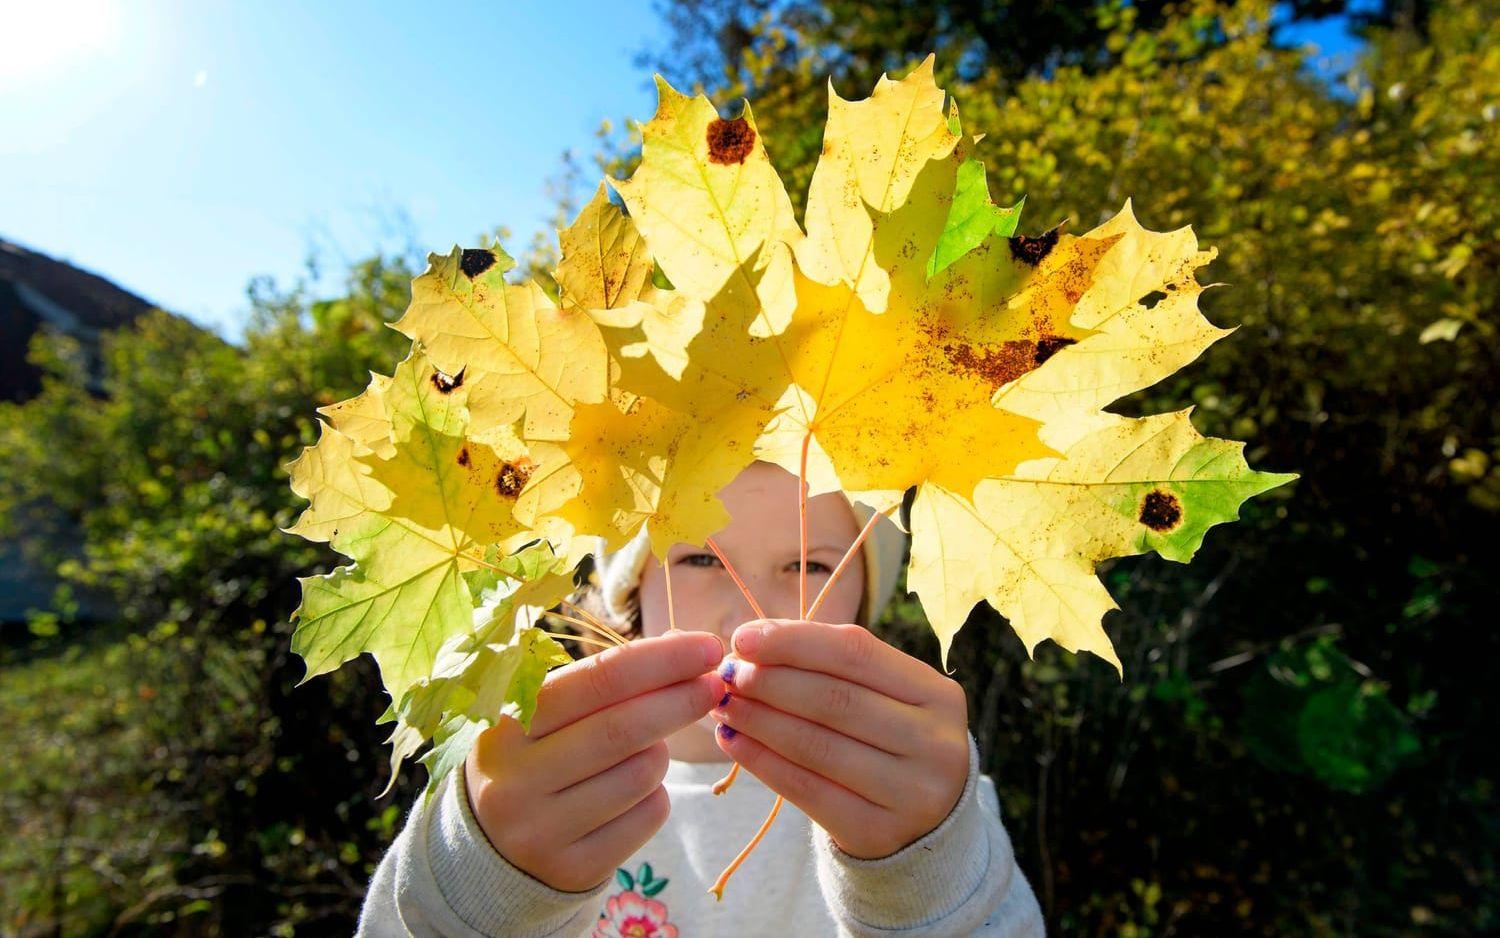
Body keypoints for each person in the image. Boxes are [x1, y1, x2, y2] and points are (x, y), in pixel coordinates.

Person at [357, 460, 1045, 936]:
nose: (749, 615)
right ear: (633, 591)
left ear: (865, 602)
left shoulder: (925, 805)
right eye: (701, 560)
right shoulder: (521, 785)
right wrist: (486, 879)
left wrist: (927, 871)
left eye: (808, 564)